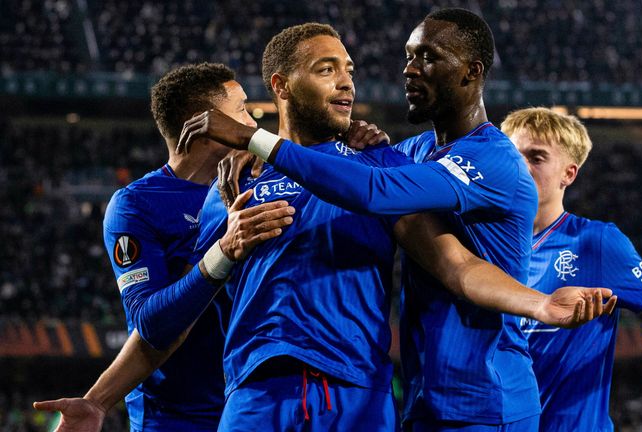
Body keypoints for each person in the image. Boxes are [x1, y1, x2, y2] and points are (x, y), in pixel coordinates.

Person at [179, 9, 589, 432]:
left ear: (472, 72)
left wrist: (255, 140)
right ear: (282, 86)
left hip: (486, 397)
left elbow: (440, 250)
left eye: (427, 58)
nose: (409, 70)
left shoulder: (494, 157)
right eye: (409, 57)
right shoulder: (409, 154)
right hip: (423, 397)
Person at [33, 63, 296, 432]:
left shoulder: (268, 183)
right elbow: (152, 324)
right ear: (203, 121)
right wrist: (222, 250)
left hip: (259, 410)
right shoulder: (137, 204)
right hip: (175, 420)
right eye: (240, 110)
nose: (251, 123)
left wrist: (363, 141)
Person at [500, 107, 642, 431]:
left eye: (536, 158)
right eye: (513, 154)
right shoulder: (484, 245)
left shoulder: (595, 242)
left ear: (569, 174)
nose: (521, 166)